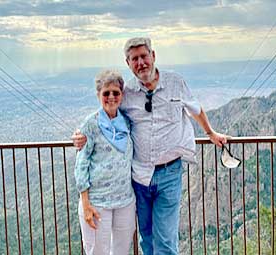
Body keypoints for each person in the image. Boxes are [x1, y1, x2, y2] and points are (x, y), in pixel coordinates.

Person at [73, 38, 228, 255]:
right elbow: (108, 110)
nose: (141, 62)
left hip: (169, 173)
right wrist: (81, 134)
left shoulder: (176, 82)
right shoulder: (127, 93)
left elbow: (195, 109)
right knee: (147, 239)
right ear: (128, 63)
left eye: (143, 56)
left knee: (165, 241)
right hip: (139, 177)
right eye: (134, 59)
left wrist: (210, 133)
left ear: (153, 55)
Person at [74, 69, 136, 255]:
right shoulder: (90, 124)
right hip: (97, 202)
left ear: (122, 95)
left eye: (115, 93)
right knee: (97, 251)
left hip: (125, 200)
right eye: (106, 93)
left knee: (121, 251)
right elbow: (81, 165)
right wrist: (85, 204)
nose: (111, 97)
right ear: (98, 95)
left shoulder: (127, 122)